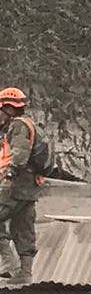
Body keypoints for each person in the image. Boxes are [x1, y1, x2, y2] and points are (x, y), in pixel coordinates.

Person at [0, 87, 43, 284]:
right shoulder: (29, 124)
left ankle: (9, 265)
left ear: (8, 107)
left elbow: (20, 153)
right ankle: (25, 274)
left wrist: (10, 173)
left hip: (15, 184)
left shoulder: (17, 126)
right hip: (30, 186)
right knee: (23, 227)